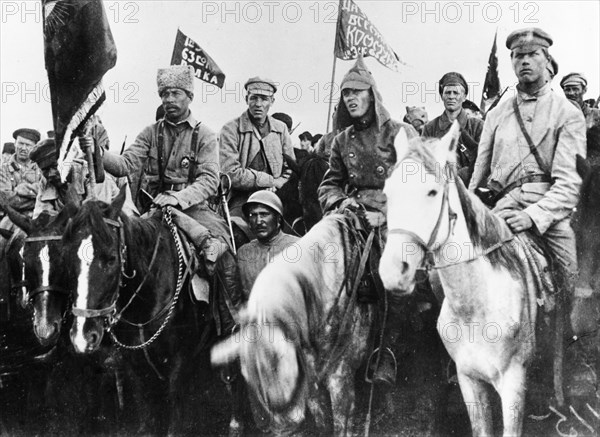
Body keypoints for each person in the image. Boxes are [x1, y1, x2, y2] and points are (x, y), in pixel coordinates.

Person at [468, 28, 586, 406]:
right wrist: (470, 211)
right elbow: (478, 174)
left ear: (548, 64)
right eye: (517, 56)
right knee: (454, 267)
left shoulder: (567, 114)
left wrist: (534, 216)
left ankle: (567, 364)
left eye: (532, 55)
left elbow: (569, 184)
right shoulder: (498, 112)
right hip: (500, 206)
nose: (523, 61)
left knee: (571, 278)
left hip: (547, 211)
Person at [101, 64, 240, 336]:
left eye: (175, 93)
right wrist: (96, 151)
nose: (168, 100)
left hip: (196, 210)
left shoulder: (205, 135)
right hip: (156, 209)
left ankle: (229, 321)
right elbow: (124, 165)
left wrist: (178, 198)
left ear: (189, 96)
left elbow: (209, 180)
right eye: (164, 94)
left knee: (222, 255)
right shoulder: (150, 132)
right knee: (126, 247)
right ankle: (115, 320)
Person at [318, 56, 420, 385]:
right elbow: (329, 185)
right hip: (353, 213)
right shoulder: (341, 140)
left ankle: (386, 351)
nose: (351, 98)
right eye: (346, 93)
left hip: (394, 214)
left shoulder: (400, 132)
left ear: (372, 95)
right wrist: (344, 202)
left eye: (358, 92)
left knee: (394, 272)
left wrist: (388, 212)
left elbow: (415, 180)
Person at [219, 77, 294, 222]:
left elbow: (290, 168)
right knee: (237, 233)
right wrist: (271, 181)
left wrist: (279, 185)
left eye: (264, 99)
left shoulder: (280, 128)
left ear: (272, 101)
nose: (258, 104)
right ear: (246, 99)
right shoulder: (231, 129)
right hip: (242, 199)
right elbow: (230, 173)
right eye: (254, 98)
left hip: (277, 195)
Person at [422, 72, 483, 185]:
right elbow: (425, 163)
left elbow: (484, 162)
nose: (451, 96)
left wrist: (461, 176)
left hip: (472, 188)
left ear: (464, 97)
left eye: (456, 93)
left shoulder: (478, 126)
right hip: (439, 187)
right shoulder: (430, 128)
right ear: (442, 96)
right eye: (447, 92)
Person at [237, 190, 299, 300]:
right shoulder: (243, 253)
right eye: (253, 215)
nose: (259, 221)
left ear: (278, 219)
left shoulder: (298, 247)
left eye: (264, 214)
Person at [0, 128, 42, 216]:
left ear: (35, 147)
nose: (23, 148)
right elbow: (6, 201)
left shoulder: (42, 168)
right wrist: (36, 199)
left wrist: (20, 190)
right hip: (12, 218)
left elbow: (48, 196)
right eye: (20, 143)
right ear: (15, 144)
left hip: (38, 217)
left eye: (28, 145)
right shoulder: (3, 169)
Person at [560, 73, 600, 161]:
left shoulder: (596, 115)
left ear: (584, 90)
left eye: (575, 89)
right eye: (567, 90)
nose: (571, 93)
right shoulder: (557, 115)